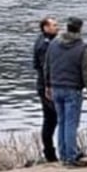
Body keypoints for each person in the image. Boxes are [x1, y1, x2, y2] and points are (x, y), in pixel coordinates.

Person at [44, 16, 87, 168]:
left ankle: (63, 155)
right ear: (80, 29)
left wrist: (48, 86)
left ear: (67, 27)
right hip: (72, 89)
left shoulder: (54, 44)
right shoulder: (81, 47)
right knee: (71, 124)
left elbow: (47, 66)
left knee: (61, 122)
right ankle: (71, 157)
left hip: (55, 87)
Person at [32, 16, 60, 163]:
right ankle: (51, 152)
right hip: (47, 86)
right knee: (53, 118)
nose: (57, 27)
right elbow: (44, 67)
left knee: (50, 119)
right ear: (45, 27)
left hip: (45, 85)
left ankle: (51, 152)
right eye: (54, 25)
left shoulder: (44, 41)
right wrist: (49, 85)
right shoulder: (45, 45)